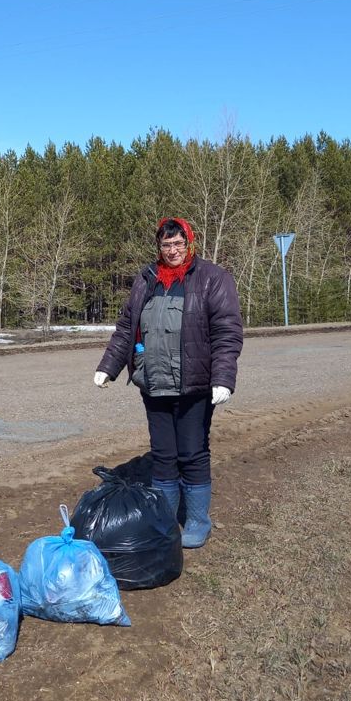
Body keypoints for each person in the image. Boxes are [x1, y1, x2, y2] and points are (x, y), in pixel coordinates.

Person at [94, 217, 243, 548]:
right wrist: (109, 367)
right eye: (166, 245)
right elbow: (125, 327)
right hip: (154, 383)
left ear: (189, 243)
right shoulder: (146, 279)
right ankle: (164, 520)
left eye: (178, 244)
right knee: (163, 455)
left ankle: (197, 520)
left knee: (191, 452)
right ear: (159, 247)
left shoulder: (212, 279)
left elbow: (227, 333)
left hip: (194, 386)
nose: (172, 250)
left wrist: (223, 379)